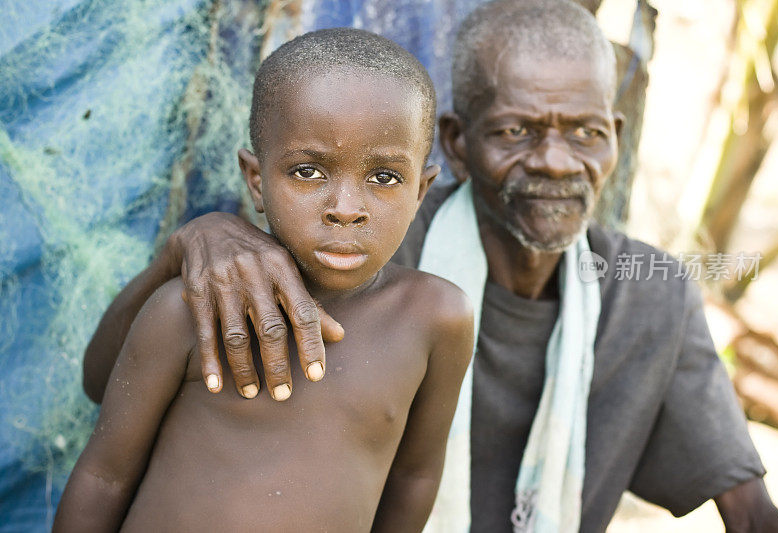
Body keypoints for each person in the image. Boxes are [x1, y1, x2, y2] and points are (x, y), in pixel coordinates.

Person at [84, 1, 778, 532]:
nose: (555, 161)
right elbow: (108, 410)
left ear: (615, 138)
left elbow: (749, 507)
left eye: (585, 132)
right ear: (456, 145)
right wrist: (193, 241)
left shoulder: (638, 293)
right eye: (517, 131)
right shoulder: (322, 258)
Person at [56, 28, 473, 532]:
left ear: (421, 189)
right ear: (256, 180)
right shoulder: (191, 308)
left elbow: (414, 477)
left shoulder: (437, 318)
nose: (345, 209)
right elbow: (103, 477)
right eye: (307, 172)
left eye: (384, 177)